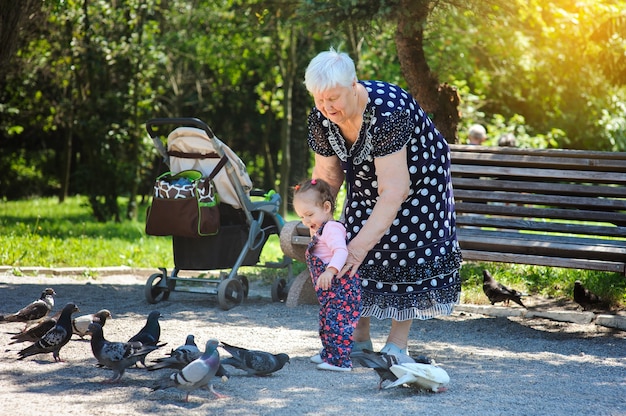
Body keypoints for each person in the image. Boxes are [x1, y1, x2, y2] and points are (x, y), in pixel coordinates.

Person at [303, 47, 462, 358]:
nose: (326, 107)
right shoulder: (321, 117)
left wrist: (359, 247)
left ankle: (397, 346)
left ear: (352, 85)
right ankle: (357, 339)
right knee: (346, 243)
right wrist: (318, 222)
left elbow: (394, 190)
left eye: (332, 98)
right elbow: (326, 177)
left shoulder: (387, 110)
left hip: (418, 182)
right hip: (366, 180)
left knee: (402, 249)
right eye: (319, 99)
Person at [292, 178, 361, 372]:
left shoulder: (332, 229)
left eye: (309, 215)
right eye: (301, 217)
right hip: (331, 290)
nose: (306, 221)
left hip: (343, 288)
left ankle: (340, 361)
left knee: (338, 324)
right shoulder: (319, 228)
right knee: (326, 322)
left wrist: (331, 271)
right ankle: (329, 353)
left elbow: (341, 251)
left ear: (326, 207)